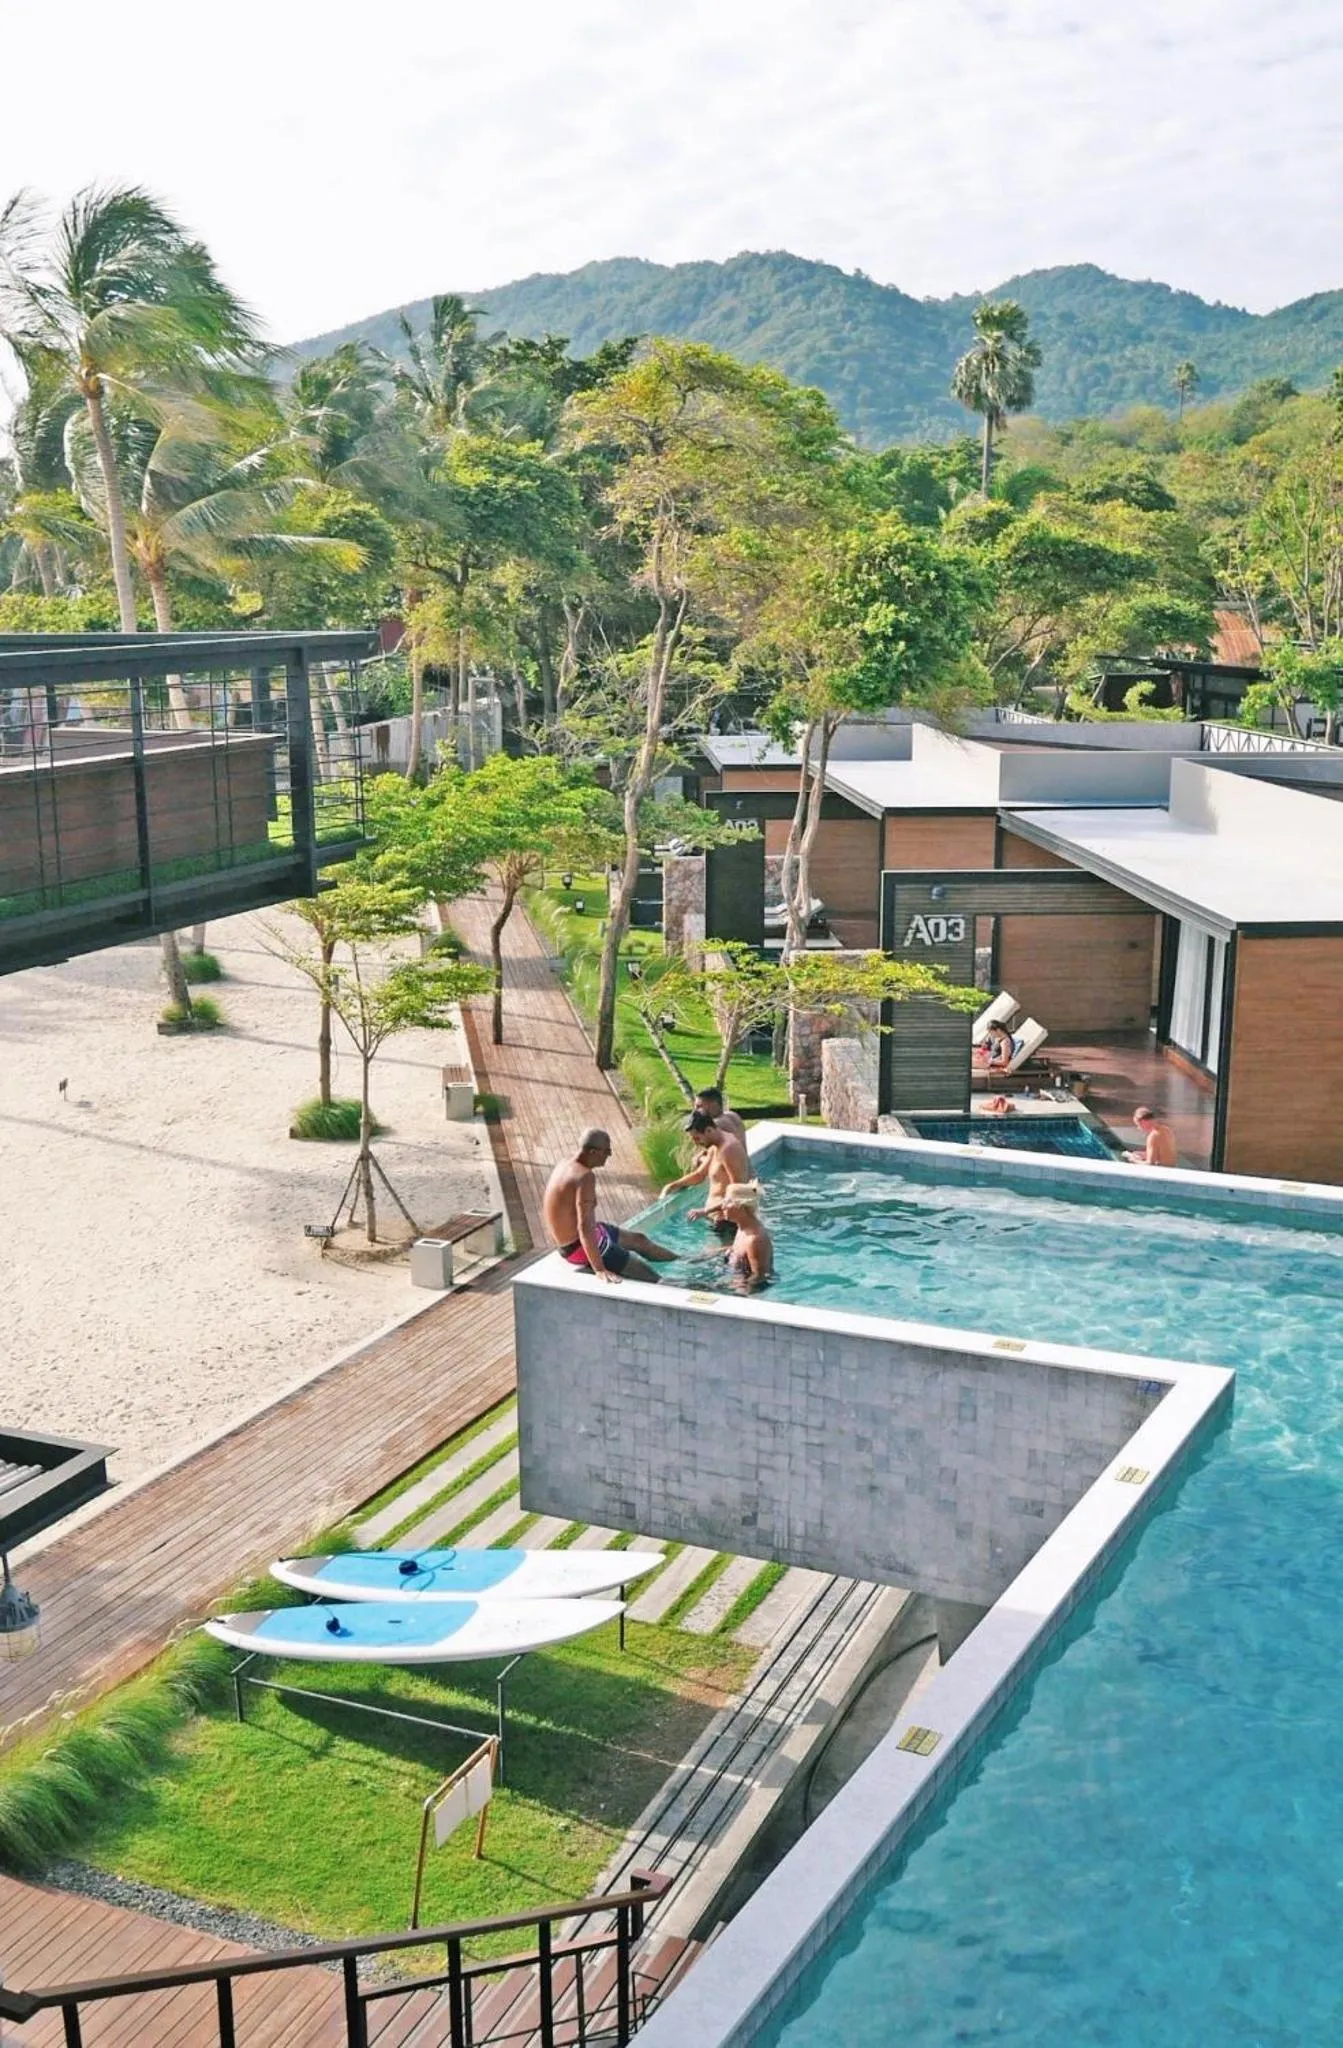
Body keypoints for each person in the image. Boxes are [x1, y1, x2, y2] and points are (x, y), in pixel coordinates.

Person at [543, 1129, 675, 1283]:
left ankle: (684, 1260)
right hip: (577, 1247)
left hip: (585, 1237)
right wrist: (599, 1268)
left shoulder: (565, 1163)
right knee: (652, 1277)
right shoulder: (584, 1177)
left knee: (640, 1240)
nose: (610, 1154)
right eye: (606, 1150)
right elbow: (584, 1226)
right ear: (592, 1152)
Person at [663, 1110, 753, 1230]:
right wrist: (672, 1185)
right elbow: (700, 1174)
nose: (696, 1143)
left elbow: (737, 1192)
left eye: (697, 1138)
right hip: (715, 1217)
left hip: (727, 1221)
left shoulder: (729, 1150)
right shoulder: (715, 1145)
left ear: (709, 1130)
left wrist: (705, 1211)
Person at [719, 1181, 773, 1290]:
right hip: (734, 1277)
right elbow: (740, 1251)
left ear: (741, 1206)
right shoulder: (742, 1228)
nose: (722, 1206)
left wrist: (735, 1292)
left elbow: (759, 1277)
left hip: (744, 1288)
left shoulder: (755, 1240)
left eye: (728, 1201)